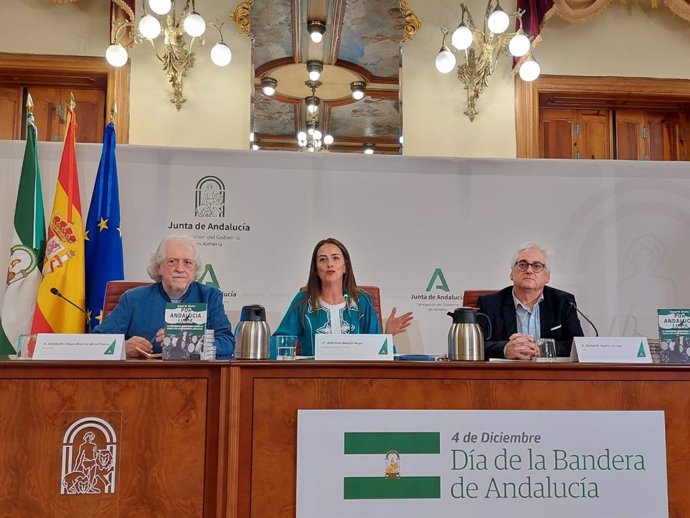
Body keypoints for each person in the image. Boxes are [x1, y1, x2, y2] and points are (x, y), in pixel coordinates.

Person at [93, 234, 234, 359]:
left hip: (197, 379)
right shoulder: (133, 299)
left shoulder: (210, 297)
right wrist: (122, 348)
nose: (180, 269)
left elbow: (227, 343)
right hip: (143, 380)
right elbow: (97, 341)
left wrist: (184, 341)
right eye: (172, 261)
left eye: (187, 263)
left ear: (195, 270)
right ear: (158, 267)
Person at [273, 238, 414, 356]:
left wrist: (387, 336)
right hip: (313, 379)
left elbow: (378, 353)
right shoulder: (304, 301)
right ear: (316, 269)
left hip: (357, 380)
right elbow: (279, 343)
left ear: (345, 266)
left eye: (335, 258)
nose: (329, 264)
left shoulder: (362, 301)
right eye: (322, 259)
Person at [477, 242, 583, 360]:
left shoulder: (564, 302)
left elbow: (577, 345)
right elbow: (476, 345)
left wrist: (542, 349)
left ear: (547, 277)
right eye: (522, 265)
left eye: (537, 266)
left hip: (552, 375)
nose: (529, 270)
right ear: (511, 274)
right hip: (506, 375)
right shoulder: (490, 304)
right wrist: (505, 349)